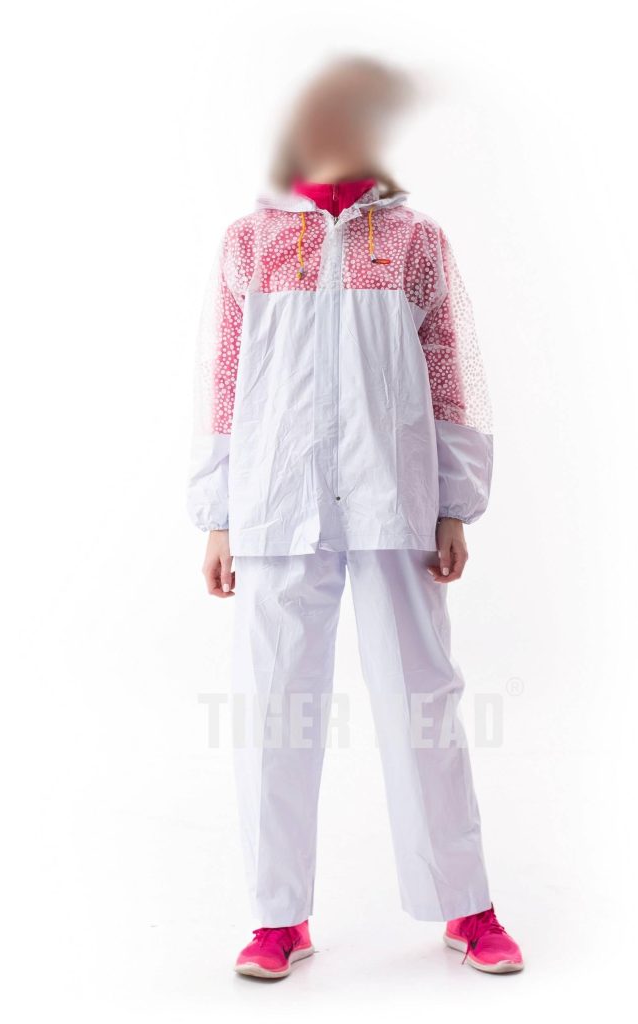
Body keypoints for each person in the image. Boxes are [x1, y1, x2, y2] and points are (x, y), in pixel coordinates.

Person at [187, 56, 524, 978]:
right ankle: (277, 917)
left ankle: (467, 906)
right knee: (273, 710)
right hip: (273, 502)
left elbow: (451, 370)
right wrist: (218, 512)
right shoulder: (248, 242)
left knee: (423, 702)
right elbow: (223, 378)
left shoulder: (415, 241)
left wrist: (455, 502)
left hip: (392, 496)